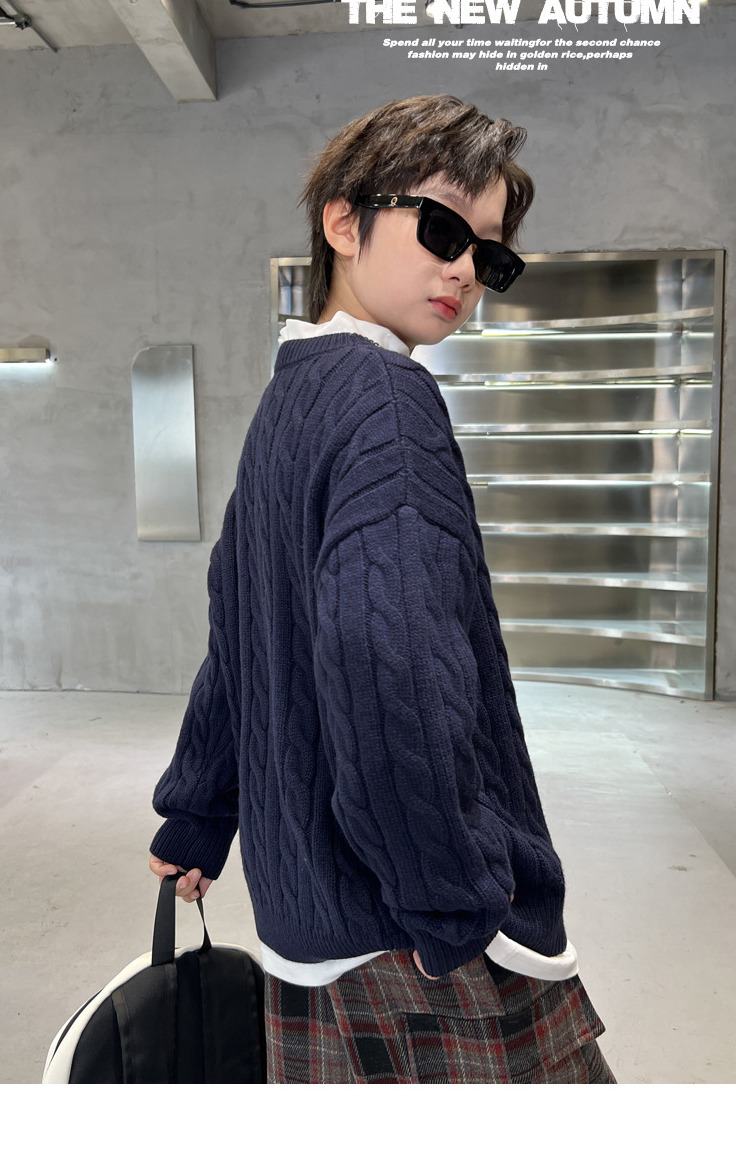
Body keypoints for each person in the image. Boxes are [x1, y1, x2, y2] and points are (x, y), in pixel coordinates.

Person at [148, 94, 616, 1084]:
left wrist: (199, 812)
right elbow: (386, 659)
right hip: (407, 935)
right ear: (343, 222)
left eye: (490, 256)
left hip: (305, 914)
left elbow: (238, 634)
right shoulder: (388, 403)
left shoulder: (290, 398)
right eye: (441, 229)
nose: (465, 270)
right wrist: (450, 894)